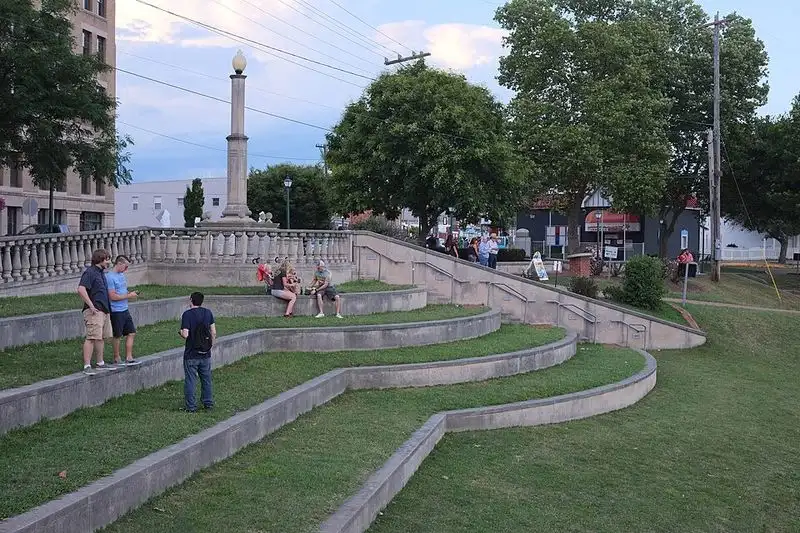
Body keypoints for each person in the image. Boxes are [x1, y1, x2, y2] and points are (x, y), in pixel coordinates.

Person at [77, 249, 115, 375]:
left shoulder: (101, 273)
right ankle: (87, 366)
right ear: (100, 259)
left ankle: (100, 363)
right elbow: (81, 289)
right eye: (107, 259)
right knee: (92, 337)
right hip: (94, 311)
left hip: (104, 310)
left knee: (100, 338)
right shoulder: (90, 272)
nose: (109, 262)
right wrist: (91, 306)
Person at [180, 292, 216, 412]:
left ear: (191, 300)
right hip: (205, 352)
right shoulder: (208, 313)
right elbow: (213, 332)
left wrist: (180, 332)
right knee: (206, 379)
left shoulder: (187, 315)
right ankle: (208, 403)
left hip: (191, 353)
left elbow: (185, 334)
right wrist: (210, 345)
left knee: (190, 380)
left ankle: (191, 406)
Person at [105, 255, 141, 367]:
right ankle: (116, 357)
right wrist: (128, 296)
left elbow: (122, 291)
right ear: (119, 264)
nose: (126, 270)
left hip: (124, 309)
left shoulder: (121, 276)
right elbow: (113, 296)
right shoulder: (110, 277)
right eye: (125, 267)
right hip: (116, 311)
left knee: (131, 332)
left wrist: (129, 293)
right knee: (117, 335)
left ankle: (129, 357)